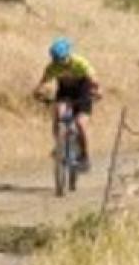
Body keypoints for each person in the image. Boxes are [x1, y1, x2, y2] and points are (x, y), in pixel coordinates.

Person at [34, 37, 99, 173]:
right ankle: (60, 144)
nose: (60, 63)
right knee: (58, 113)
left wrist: (96, 90)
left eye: (62, 59)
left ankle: (85, 156)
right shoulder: (53, 67)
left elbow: (93, 78)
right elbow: (44, 80)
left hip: (83, 93)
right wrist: (38, 90)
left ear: (69, 55)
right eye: (57, 60)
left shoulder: (80, 63)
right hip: (65, 93)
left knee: (80, 124)